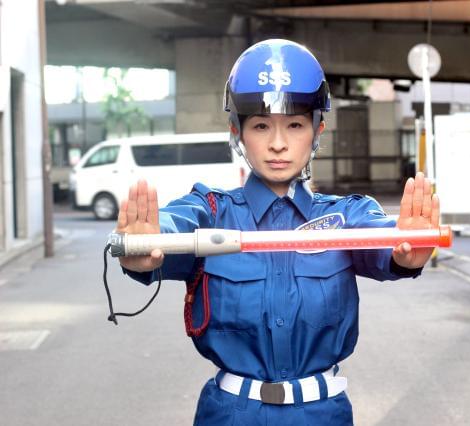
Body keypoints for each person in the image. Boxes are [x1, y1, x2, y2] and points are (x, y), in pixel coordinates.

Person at [117, 39, 440, 425]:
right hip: (231, 414)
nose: (278, 143)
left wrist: (405, 249)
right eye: (260, 126)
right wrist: (145, 242)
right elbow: (173, 227)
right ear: (237, 131)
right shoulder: (212, 212)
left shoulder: (344, 217)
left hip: (322, 415)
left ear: (317, 130)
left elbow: (384, 237)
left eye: (295, 125)